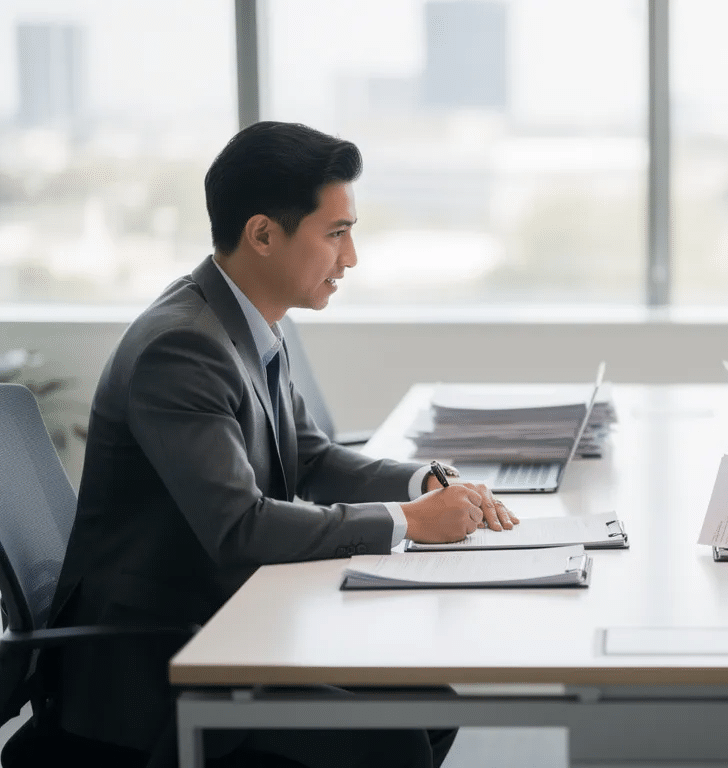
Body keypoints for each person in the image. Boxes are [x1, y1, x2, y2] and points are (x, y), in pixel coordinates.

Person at [47, 121, 518, 768]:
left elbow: (313, 458)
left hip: (233, 622)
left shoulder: (251, 321)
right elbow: (239, 528)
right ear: (263, 234)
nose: (350, 259)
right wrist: (409, 522)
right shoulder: (180, 348)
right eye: (336, 234)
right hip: (155, 666)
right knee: (398, 735)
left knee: (428, 701)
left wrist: (424, 485)